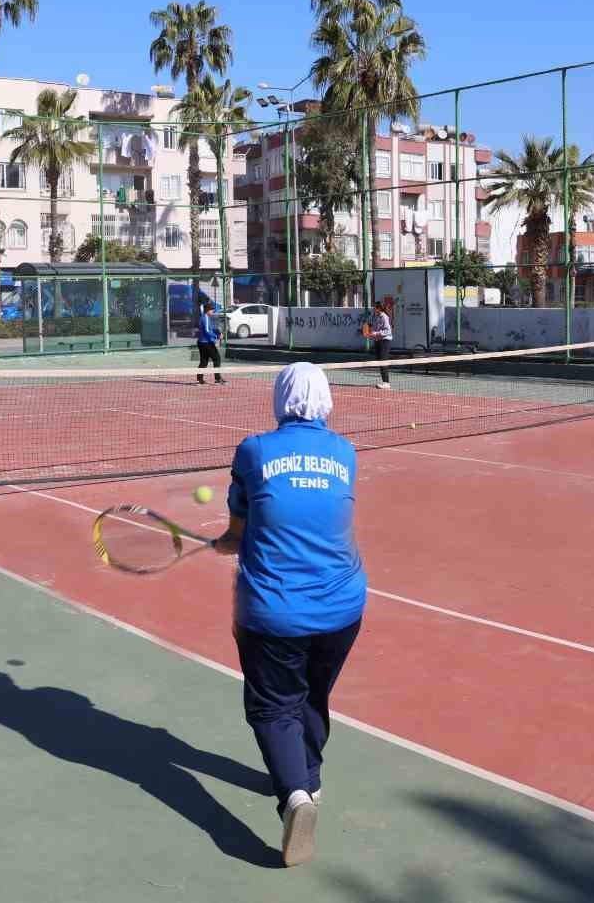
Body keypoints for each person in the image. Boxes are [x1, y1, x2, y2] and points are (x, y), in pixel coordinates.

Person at [210, 363, 367, 867]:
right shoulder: (345, 452)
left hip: (274, 612)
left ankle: (294, 797)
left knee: (273, 706)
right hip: (343, 609)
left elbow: (238, 531)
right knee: (313, 694)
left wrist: (224, 544)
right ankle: (311, 781)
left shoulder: (254, 450)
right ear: (325, 400)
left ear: (278, 400)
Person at [195, 298, 225, 385]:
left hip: (202, 342)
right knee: (217, 358)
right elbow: (207, 331)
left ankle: (199, 379)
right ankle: (217, 379)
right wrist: (217, 336)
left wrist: (216, 332)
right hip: (206, 343)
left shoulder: (204, 317)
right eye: (212, 310)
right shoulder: (206, 318)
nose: (212, 312)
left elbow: (209, 329)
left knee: (204, 361)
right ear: (207, 310)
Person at [367, 300, 392, 389]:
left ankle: (386, 382)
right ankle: (384, 381)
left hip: (385, 341)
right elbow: (371, 326)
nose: (374, 308)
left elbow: (388, 331)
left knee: (383, 361)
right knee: (379, 360)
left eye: (375, 307)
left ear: (379, 308)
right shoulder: (374, 316)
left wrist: (376, 333)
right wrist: (369, 332)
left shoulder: (384, 317)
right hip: (378, 341)